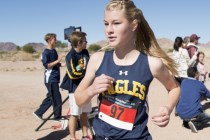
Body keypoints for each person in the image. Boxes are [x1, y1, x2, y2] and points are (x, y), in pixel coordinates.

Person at [74, 0, 180, 139]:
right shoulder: (97, 59)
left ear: (134, 25)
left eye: (116, 23)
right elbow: (78, 99)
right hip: (102, 136)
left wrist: (168, 108)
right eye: (106, 23)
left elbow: (174, 88)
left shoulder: (152, 64)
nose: (109, 30)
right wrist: (92, 89)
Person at [63, 31, 92, 140]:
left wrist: (86, 70)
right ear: (79, 42)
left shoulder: (85, 52)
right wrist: (85, 72)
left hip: (85, 87)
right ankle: (73, 137)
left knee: (84, 113)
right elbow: (72, 74)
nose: (87, 42)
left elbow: (89, 66)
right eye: (85, 40)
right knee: (74, 114)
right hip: (75, 88)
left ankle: (85, 135)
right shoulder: (70, 56)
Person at [34, 33, 65, 121]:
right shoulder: (45, 53)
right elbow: (48, 65)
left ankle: (39, 112)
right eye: (54, 39)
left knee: (52, 97)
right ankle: (56, 116)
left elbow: (56, 64)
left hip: (55, 78)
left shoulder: (54, 51)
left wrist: (65, 64)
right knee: (56, 98)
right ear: (49, 40)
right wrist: (59, 59)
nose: (56, 40)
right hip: (50, 79)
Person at [176, 67, 210, 133]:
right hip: (192, 113)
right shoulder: (199, 84)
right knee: (207, 118)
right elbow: (208, 95)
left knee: (189, 105)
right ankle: (195, 123)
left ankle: (186, 123)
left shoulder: (183, 82)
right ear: (196, 74)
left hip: (180, 112)